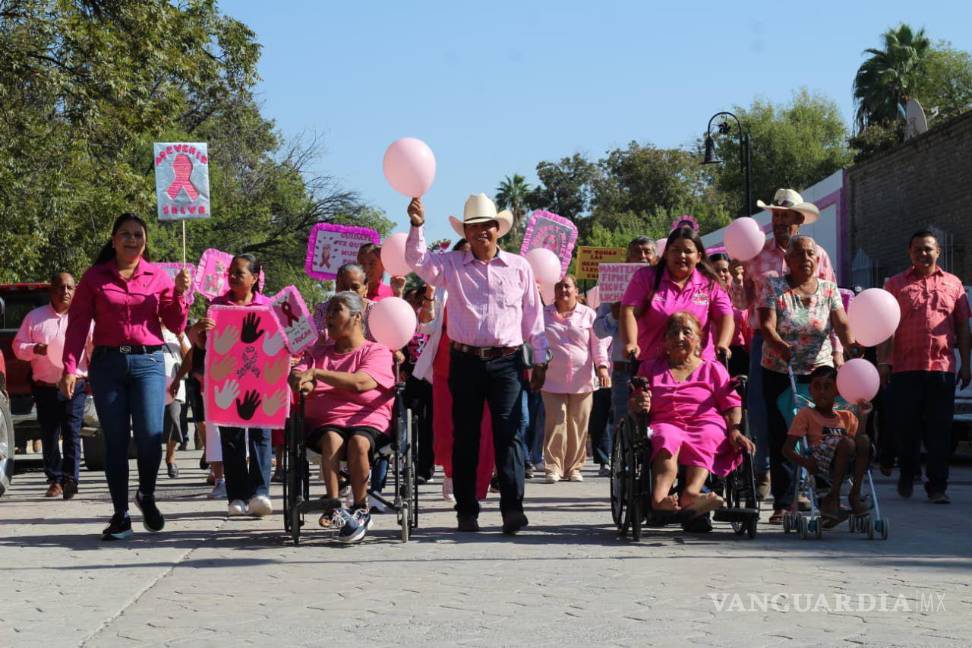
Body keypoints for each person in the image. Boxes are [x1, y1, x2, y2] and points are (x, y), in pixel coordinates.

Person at [405, 193, 547, 535]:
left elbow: (533, 315)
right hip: (465, 360)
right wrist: (417, 224)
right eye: (473, 228)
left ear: (498, 230)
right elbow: (417, 259)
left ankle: (513, 509)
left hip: (508, 361)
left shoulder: (519, 266)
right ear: (466, 234)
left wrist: (540, 358)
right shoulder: (451, 265)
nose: (481, 232)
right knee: (465, 437)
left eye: (487, 226)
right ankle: (466, 511)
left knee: (509, 435)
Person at [61, 213, 191, 540]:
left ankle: (146, 494)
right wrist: (69, 367)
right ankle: (121, 516)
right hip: (108, 366)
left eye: (138, 234)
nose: (132, 239)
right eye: (125, 234)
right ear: (114, 239)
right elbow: (77, 326)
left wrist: (179, 294)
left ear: (145, 240)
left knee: (150, 438)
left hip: (148, 363)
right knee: (116, 442)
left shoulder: (158, 276)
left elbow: (175, 324)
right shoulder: (94, 277)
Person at [730, 188, 839, 500]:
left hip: (815, 350)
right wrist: (737, 281)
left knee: (814, 414)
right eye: (775, 216)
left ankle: (807, 481)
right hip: (766, 345)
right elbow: (743, 304)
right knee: (766, 413)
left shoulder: (817, 254)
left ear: (799, 221)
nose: (779, 222)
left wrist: (840, 350)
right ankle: (763, 470)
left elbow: (831, 301)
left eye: (786, 217)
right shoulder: (755, 254)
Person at [758, 235, 857, 524]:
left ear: (818, 258)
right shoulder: (774, 285)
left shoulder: (828, 289)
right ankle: (784, 501)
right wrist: (779, 345)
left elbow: (841, 323)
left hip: (820, 372)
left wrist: (851, 345)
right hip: (780, 370)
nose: (806, 259)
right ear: (787, 260)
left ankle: (828, 496)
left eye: (811, 254)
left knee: (825, 433)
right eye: (799, 254)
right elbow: (766, 324)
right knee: (785, 435)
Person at [291, 291, 396, 543]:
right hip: (327, 420)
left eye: (336, 310)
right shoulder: (317, 352)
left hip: (368, 419)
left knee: (358, 443)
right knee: (331, 439)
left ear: (357, 317)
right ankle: (335, 505)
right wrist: (299, 381)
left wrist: (318, 374)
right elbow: (297, 377)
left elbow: (361, 383)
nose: (328, 315)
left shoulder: (377, 351)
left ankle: (361, 507)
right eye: (328, 310)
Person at [878, 230, 971, 504]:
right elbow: (886, 327)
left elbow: (963, 327)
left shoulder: (954, 285)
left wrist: (965, 364)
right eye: (917, 249)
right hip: (905, 368)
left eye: (928, 249)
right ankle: (908, 473)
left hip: (942, 368)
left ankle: (937, 486)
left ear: (938, 252)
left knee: (940, 430)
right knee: (906, 429)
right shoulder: (895, 285)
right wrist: (884, 363)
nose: (923, 253)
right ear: (910, 253)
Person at [628, 312, 754, 514]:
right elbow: (635, 402)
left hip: (705, 422)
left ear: (698, 340)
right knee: (666, 437)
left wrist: (735, 430)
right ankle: (659, 499)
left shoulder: (713, 368)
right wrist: (640, 403)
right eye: (673, 333)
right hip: (666, 421)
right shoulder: (650, 368)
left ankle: (691, 494)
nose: (679, 337)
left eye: (687, 332)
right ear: (665, 341)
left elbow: (731, 403)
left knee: (709, 435)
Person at [188, 253, 274, 518]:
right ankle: (237, 495)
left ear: (255, 277)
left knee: (261, 436)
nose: (233, 276)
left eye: (239, 272)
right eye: (231, 272)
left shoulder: (268, 306)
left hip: (261, 379)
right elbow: (200, 344)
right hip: (227, 380)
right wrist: (200, 330)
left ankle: (260, 493)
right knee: (232, 439)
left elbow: (280, 341)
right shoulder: (217, 305)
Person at [412, 238, 496, 503]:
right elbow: (424, 326)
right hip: (446, 366)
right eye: (461, 256)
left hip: (483, 366)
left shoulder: (489, 283)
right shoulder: (440, 287)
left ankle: (478, 485)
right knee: (448, 428)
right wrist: (428, 293)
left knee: (483, 428)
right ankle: (451, 474)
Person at [13, 272, 91, 499]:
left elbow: (94, 349)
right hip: (45, 386)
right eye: (60, 287)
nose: (65, 292)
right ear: (51, 290)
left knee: (72, 432)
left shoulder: (84, 318)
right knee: (49, 433)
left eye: (69, 288)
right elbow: (18, 347)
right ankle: (54, 479)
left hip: (74, 384)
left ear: (75, 291)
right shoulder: (35, 317)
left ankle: (70, 479)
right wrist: (33, 349)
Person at [621, 226, 733, 364]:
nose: (682, 255)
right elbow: (628, 311)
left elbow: (725, 316)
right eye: (676, 250)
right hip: (652, 366)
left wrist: (723, 343)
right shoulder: (645, 277)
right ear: (666, 253)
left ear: (698, 257)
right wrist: (631, 342)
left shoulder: (710, 284)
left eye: (688, 251)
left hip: (699, 367)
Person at [592, 237, 656, 475]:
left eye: (647, 252)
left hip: (655, 364)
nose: (642, 256)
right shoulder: (613, 288)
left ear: (655, 257)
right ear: (627, 259)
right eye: (636, 252)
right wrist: (615, 315)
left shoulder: (662, 284)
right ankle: (626, 469)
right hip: (624, 367)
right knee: (623, 422)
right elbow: (598, 330)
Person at [783, 365, 873, 527]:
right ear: (810, 390)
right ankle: (833, 498)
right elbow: (787, 449)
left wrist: (863, 417)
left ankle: (854, 495)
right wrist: (806, 463)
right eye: (817, 387)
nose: (822, 391)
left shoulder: (847, 416)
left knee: (863, 440)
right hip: (821, 461)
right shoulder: (806, 414)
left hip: (847, 463)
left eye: (827, 387)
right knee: (846, 441)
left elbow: (859, 444)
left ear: (837, 391)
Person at [541, 275, 610, 483]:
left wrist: (603, 367)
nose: (563, 290)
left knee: (578, 424)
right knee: (556, 422)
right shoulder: (543, 314)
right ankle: (553, 467)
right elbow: (534, 341)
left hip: (582, 379)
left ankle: (573, 468)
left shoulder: (588, 314)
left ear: (576, 290)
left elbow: (598, 344)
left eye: (567, 286)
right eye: (559, 286)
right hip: (551, 378)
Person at [709, 253, 751, 376]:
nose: (721, 274)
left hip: (738, 353)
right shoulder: (703, 297)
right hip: (713, 353)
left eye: (725, 270)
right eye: (716, 271)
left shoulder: (739, 293)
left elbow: (748, 327)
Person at [162, 326, 191, 478]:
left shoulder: (176, 332)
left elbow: (189, 356)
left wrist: (180, 338)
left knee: (174, 419)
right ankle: (149, 461)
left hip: (174, 385)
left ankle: (171, 458)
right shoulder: (147, 329)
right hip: (150, 383)